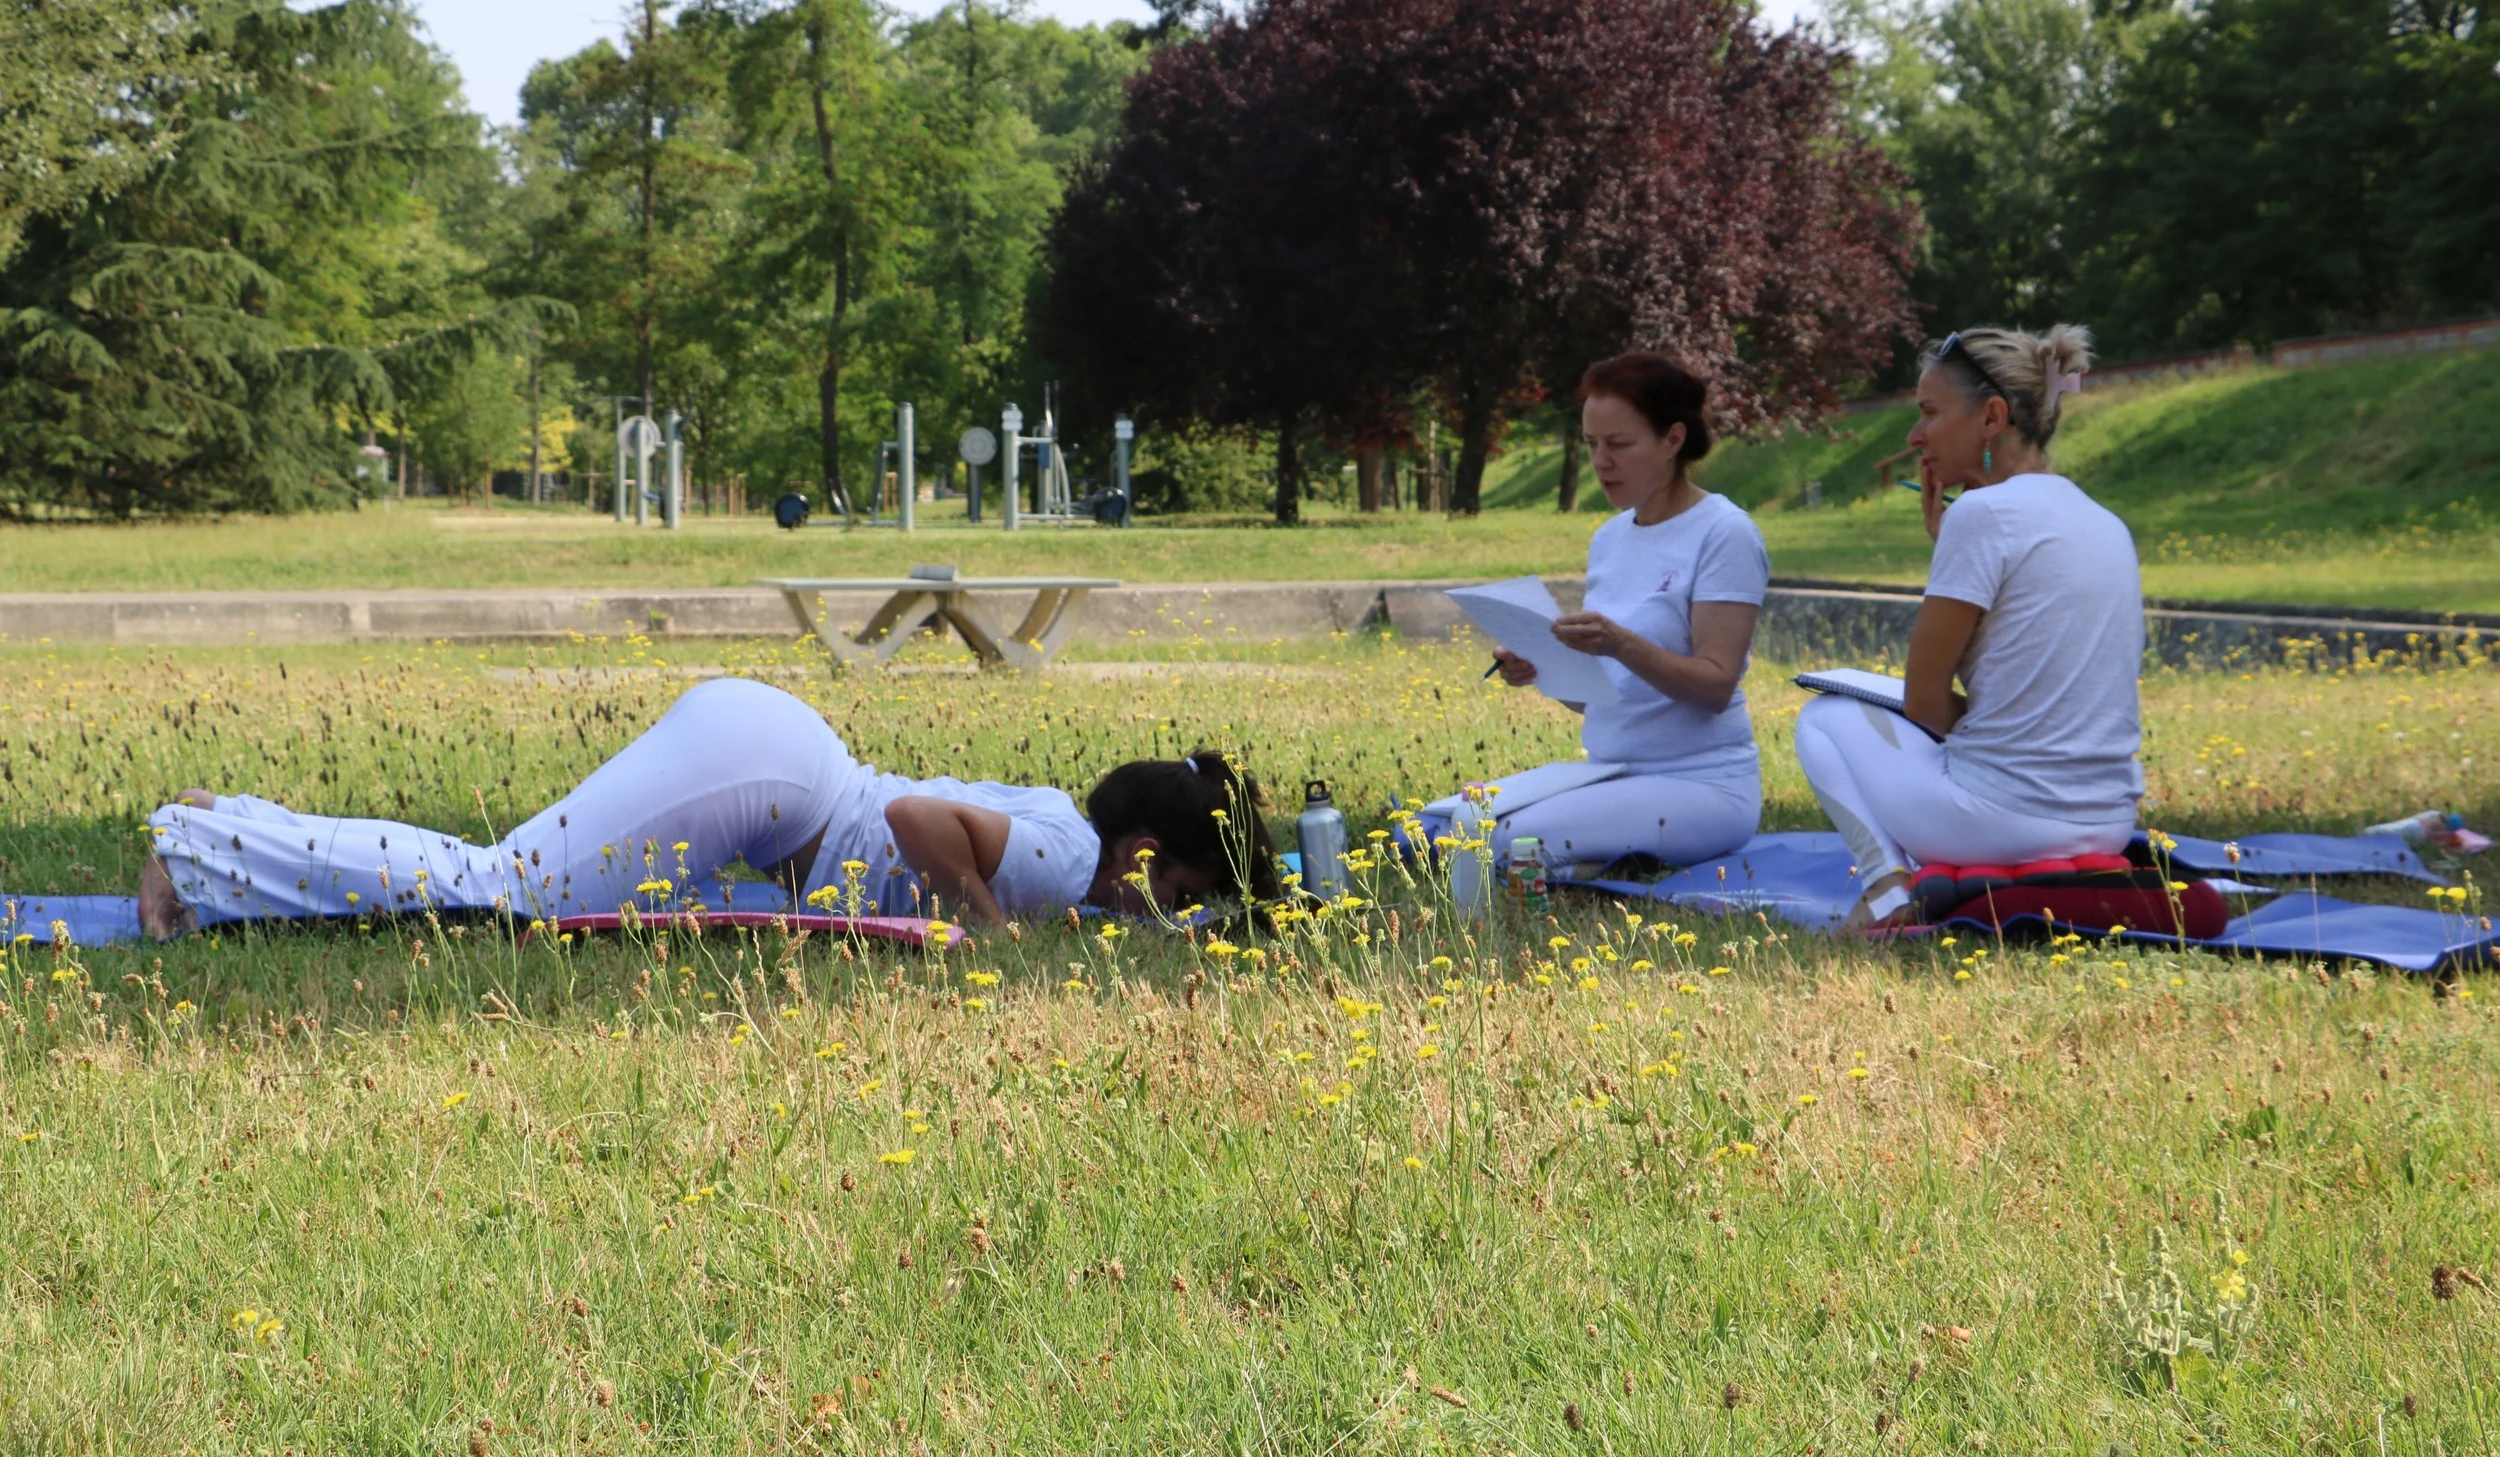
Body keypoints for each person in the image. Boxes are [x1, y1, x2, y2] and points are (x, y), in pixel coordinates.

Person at [138, 676, 1279, 939]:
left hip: (774, 763)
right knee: (512, 892)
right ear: (1143, 852)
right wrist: (984, 931)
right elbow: (916, 824)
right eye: (1179, 895)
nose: (1166, 915)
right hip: (771, 773)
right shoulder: (1063, 864)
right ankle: (200, 844)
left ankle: (231, 823)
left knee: (513, 879)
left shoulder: (1069, 830)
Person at [1792, 325, 2142, 931]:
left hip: (2006, 822)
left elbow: (1925, 702)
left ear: (1992, 418)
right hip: (2109, 821)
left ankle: (1885, 890)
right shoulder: (2104, 520)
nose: (1915, 435)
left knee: (1824, 716)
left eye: (1929, 412)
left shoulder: (1980, 514)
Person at [1485, 352, 1769, 872]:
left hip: (1702, 785)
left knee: (1504, 840)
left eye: (1618, 444)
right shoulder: (1610, 537)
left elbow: (1714, 688)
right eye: (1592, 444)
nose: (1601, 462)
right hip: (1609, 775)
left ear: (1673, 440)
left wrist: (1620, 643)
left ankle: (1595, 864)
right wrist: (1539, 666)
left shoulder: (1724, 533)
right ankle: (1600, 861)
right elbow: (1606, 700)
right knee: (1449, 823)